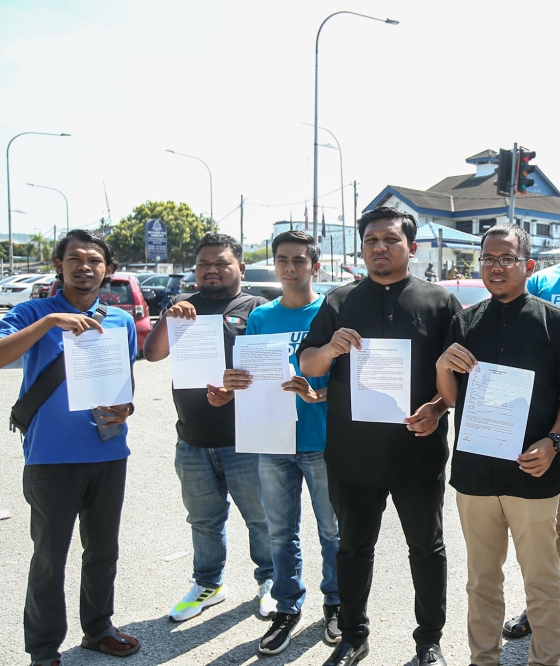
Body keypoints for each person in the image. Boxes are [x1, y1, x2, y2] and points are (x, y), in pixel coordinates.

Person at [298, 206, 463, 666]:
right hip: (353, 455)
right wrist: (329, 350)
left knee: (427, 548)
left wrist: (436, 408)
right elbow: (307, 364)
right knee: (352, 548)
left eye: (390, 240)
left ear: (410, 247)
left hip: (418, 451)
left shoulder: (440, 303)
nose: (379, 248)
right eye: (371, 240)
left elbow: (458, 377)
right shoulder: (340, 301)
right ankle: (354, 636)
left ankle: (429, 640)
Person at [437, 224, 560, 666]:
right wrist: (444, 365)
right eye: (488, 259)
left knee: (542, 580)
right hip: (475, 472)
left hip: (531, 469)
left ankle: (545, 660)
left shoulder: (554, 322)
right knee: (481, 578)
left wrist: (555, 442)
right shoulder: (464, 321)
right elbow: (449, 399)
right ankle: (484, 658)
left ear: (528, 265)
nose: (496, 267)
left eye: (506, 259)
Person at [0, 230, 140, 666]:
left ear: (108, 270)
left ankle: (98, 628)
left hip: (108, 453)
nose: (85, 267)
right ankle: (43, 649)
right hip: (51, 457)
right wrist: (49, 324)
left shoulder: (119, 320)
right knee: (49, 557)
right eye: (74, 258)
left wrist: (127, 407)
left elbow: (124, 382)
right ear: (58, 265)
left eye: (95, 260)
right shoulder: (31, 312)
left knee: (103, 549)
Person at [143, 233, 274, 622]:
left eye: (220, 263)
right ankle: (208, 584)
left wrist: (235, 394)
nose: (211, 270)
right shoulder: (184, 309)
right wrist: (169, 318)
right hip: (193, 439)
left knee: (261, 518)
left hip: (245, 440)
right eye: (203, 264)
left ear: (240, 268)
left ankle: (271, 581)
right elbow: (152, 354)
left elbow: (270, 373)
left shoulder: (258, 310)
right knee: (203, 519)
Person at [221, 231, 341, 655]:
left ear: (315, 265)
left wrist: (318, 394)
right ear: (274, 264)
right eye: (283, 260)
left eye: (299, 261)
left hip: (321, 439)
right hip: (273, 439)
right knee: (280, 531)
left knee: (332, 530)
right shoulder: (261, 317)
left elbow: (348, 380)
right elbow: (252, 377)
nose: (290, 268)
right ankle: (287, 607)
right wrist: (234, 382)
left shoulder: (331, 310)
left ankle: (336, 603)